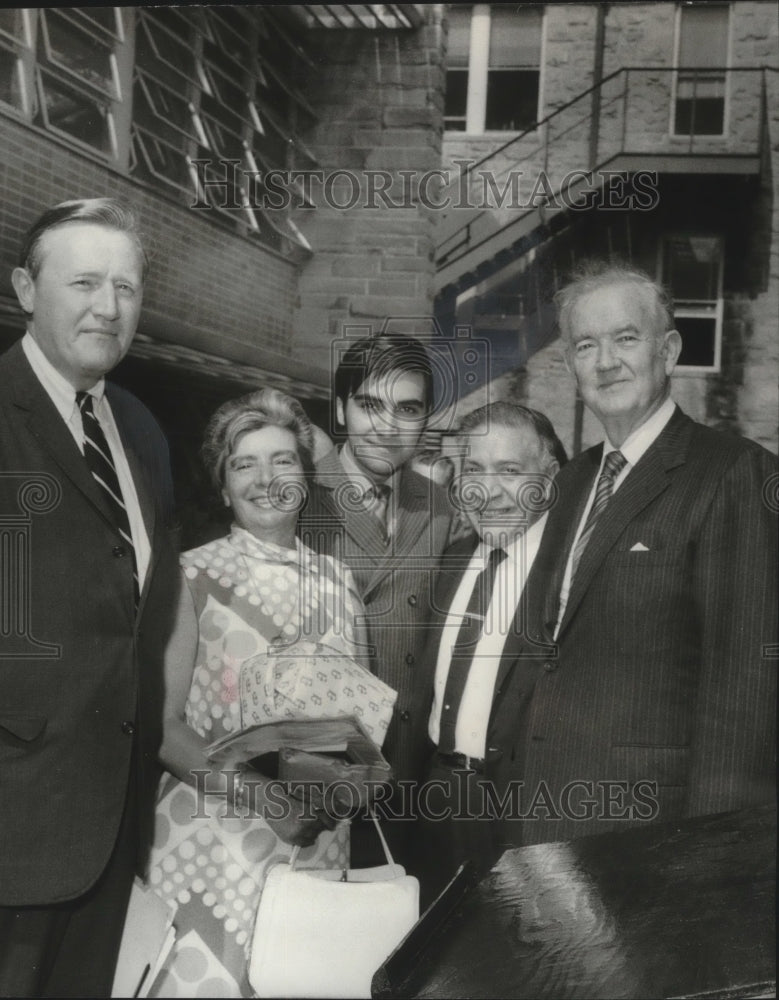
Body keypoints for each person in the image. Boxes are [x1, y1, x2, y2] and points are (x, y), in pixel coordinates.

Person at [0, 199, 181, 996]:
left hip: (105, 850)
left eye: (126, 287)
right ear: (25, 289)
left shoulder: (141, 430)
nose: (108, 307)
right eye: (85, 282)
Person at [491, 262, 778, 847]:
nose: (605, 361)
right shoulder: (571, 482)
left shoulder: (734, 474)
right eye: (585, 346)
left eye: (626, 338)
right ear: (570, 365)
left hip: (654, 836)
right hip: (546, 825)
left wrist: (708, 856)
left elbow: (746, 686)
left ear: (668, 350)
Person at [145, 388, 370, 998]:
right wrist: (270, 801)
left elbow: (360, 730)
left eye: (283, 460)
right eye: (244, 463)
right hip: (211, 845)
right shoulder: (190, 576)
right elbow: (164, 730)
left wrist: (344, 785)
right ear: (223, 488)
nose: (265, 478)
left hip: (315, 845)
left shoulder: (339, 581)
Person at [300, 333, 454, 859]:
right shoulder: (299, 498)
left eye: (407, 408)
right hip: (319, 787)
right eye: (370, 406)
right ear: (341, 411)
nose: (388, 427)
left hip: (410, 784)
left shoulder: (439, 508)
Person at [412, 402, 565, 903]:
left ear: (548, 477)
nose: (489, 490)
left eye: (510, 470)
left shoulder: (571, 574)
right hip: (434, 800)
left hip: (524, 814)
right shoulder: (452, 560)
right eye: (474, 469)